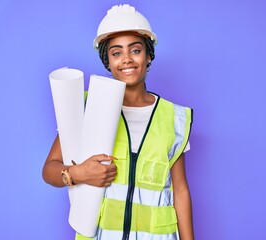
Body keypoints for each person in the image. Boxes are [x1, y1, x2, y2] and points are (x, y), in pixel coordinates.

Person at [43, 4, 194, 240]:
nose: (126, 60)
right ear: (107, 61)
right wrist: (77, 173)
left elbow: (181, 190)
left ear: (149, 55)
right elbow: (49, 170)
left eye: (135, 50)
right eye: (116, 53)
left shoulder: (174, 117)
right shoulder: (86, 106)